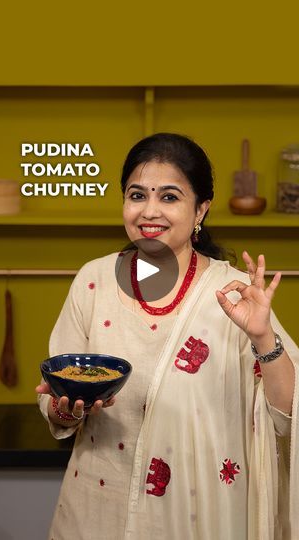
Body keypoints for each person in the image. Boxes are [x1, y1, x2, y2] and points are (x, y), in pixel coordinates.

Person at [36, 133, 299, 540]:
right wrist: (65, 408)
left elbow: (288, 416)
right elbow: (55, 399)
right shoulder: (94, 281)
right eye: (137, 195)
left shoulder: (234, 292)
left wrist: (263, 338)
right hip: (95, 507)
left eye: (170, 197)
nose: (149, 211)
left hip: (197, 514)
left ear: (201, 209)